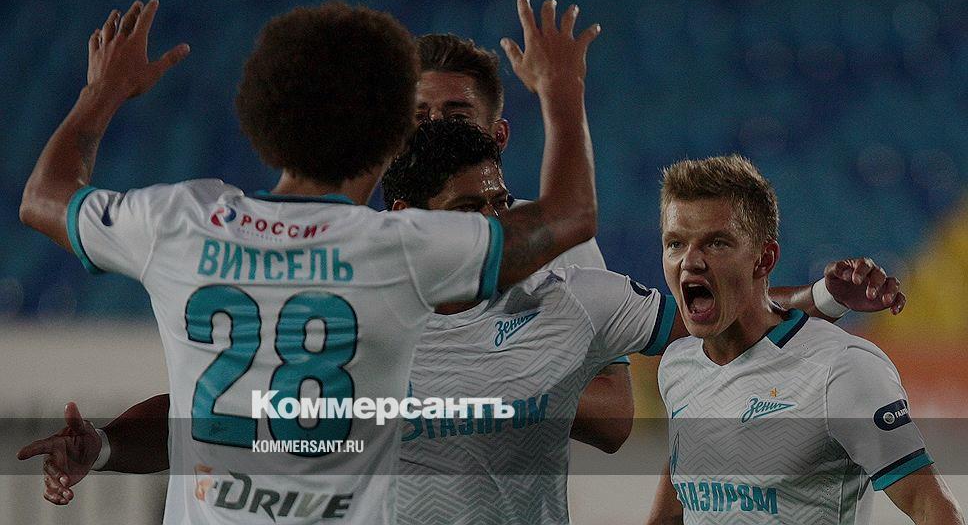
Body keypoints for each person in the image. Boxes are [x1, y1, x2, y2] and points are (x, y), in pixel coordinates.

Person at [21, 121, 908, 525]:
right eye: (469, 210)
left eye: (499, 203)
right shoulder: (349, 306)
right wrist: (105, 446)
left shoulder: (571, 299)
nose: (495, 225)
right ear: (409, 219)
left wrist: (825, 301)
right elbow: (218, 421)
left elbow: (719, 323)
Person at [18, 0, 603, 524]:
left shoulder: (179, 222)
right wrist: (561, 87)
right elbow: (570, 214)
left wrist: (102, 92)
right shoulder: (404, 251)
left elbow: (44, 197)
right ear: (392, 136)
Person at [646, 155, 963, 524]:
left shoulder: (840, 369)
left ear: (764, 260)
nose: (690, 261)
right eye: (675, 243)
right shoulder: (678, 365)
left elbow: (930, 506)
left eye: (716, 243)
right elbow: (678, 502)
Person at [414, 32, 632, 453]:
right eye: (420, 118)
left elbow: (614, 416)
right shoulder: (366, 248)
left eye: (457, 117)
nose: (436, 130)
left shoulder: (559, 245)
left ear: (498, 136)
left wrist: (485, 379)